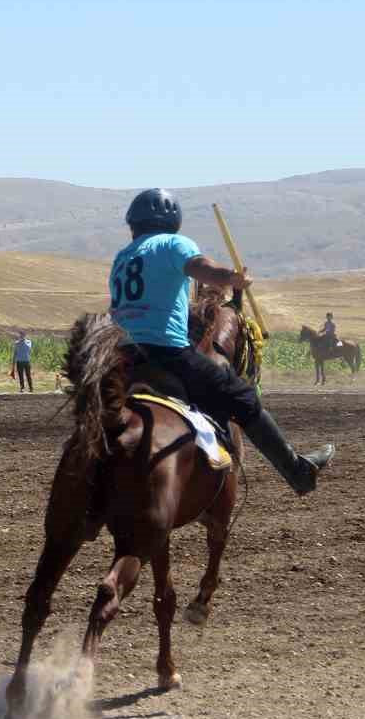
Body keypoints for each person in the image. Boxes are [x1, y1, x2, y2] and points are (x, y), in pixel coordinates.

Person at [110, 188, 333, 494]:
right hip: (167, 353)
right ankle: (298, 472)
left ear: (133, 223)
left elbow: (116, 308)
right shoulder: (174, 243)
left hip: (122, 357)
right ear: (173, 221)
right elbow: (202, 269)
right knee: (244, 398)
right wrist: (233, 278)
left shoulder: (123, 257)